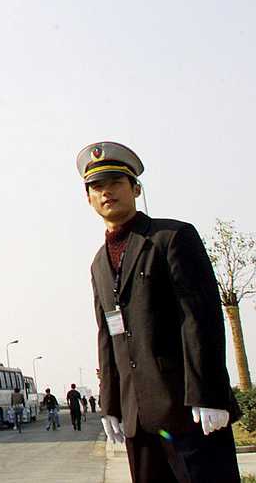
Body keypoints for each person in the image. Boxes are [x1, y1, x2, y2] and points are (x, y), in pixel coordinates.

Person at [78, 141, 241, 482]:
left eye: (115, 183)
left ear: (135, 188)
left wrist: (208, 394)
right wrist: (111, 403)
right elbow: (108, 335)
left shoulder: (172, 237)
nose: (106, 192)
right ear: (88, 197)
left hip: (188, 411)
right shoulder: (98, 264)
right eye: (97, 186)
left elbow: (200, 318)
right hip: (138, 418)